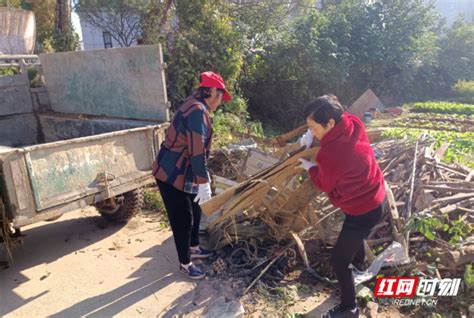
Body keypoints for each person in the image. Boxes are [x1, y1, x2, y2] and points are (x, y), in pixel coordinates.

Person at [297, 94, 386, 318]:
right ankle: (360, 265)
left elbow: (324, 183)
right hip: (376, 195)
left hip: (362, 210)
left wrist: (310, 167)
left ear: (330, 123)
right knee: (353, 236)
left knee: (338, 259)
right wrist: (313, 136)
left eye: (313, 128)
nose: (312, 132)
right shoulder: (352, 122)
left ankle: (349, 308)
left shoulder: (332, 154)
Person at [152, 71, 232, 279]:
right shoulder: (197, 111)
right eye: (220, 95)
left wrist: (199, 180)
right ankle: (185, 263)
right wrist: (203, 181)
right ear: (212, 91)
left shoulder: (196, 105)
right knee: (183, 219)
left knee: (196, 209)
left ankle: (194, 248)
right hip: (170, 175)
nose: (221, 101)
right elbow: (197, 151)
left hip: (182, 172)